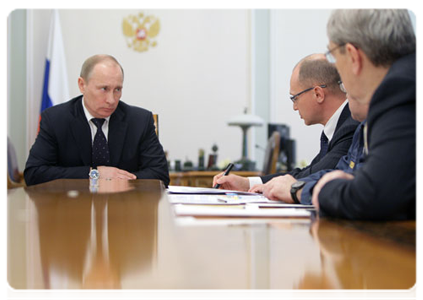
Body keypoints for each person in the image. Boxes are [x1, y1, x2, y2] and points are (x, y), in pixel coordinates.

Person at [256, 9, 420, 220]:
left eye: (333, 56)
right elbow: (352, 175)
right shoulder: (407, 80)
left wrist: (301, 190)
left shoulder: (401, 89)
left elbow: (371, 196)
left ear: (353, 56)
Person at [213, 54, 359, 191]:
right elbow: (309, 171)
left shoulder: (351, 125)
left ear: (318, 94)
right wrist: (247, 184)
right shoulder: (339, 125)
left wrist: (268, 187)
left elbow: (319, 174)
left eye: (295, 98)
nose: (295, 107)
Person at [24, 54, 170, 186]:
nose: (111, 100)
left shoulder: (139, 121)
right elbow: (35, 173)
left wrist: (119, 181)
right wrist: (94, 174)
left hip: (124, 207)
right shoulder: (56, 119)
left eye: (117, 90)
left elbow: (160, 174)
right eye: (104, 89)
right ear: (82, 85)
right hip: (72, 208)